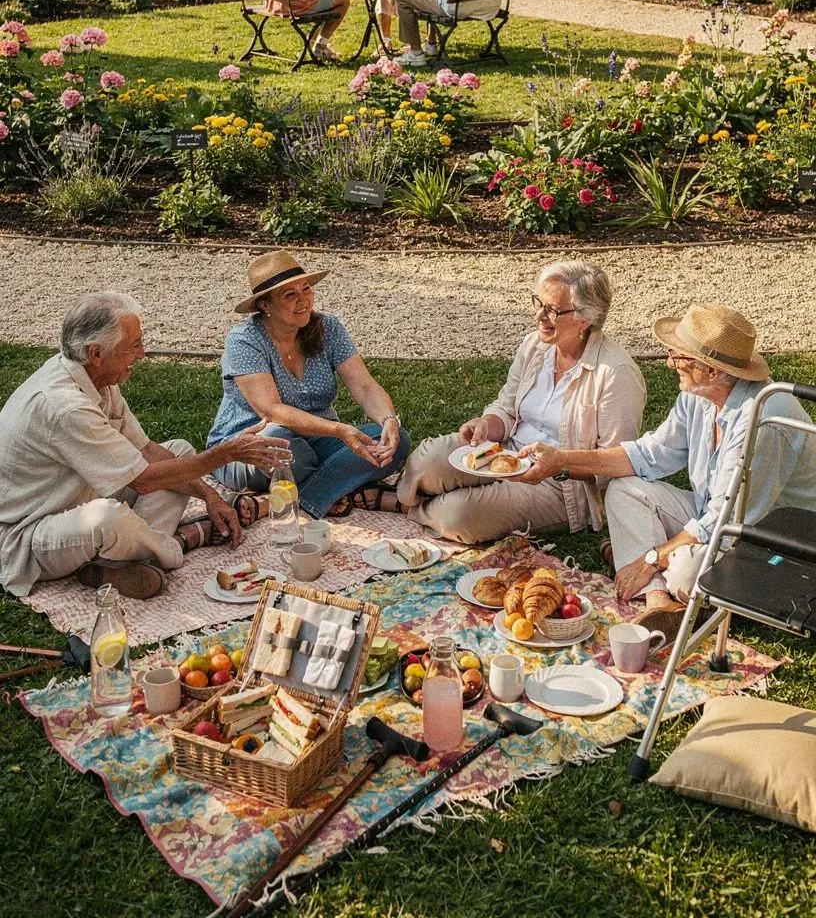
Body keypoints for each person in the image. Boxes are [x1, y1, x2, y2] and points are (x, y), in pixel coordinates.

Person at [514, 304, 816, 644]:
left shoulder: (763, 421)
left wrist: (652, 557)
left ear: (713, 370)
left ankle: (657, 572)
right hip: (715, 517)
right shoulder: (700, 396)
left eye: (679, 356)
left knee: (688, 574)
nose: (670, 363)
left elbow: (724, 522)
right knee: (624, 489)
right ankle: (660, 601)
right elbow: (648, 454)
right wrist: (561, 460)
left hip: (777, 545)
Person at [0, 293, 286, 600]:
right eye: (133, 345)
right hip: (29, 535)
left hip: (80, 495)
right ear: (96, 354)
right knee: (108, 518)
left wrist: (209, 495)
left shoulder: (97, 379)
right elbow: (144, 480)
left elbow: (147, 450)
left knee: (179, 451)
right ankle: (180, 544)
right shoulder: (65, 407)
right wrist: (225, 453)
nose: (142, 353)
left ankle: (119, 564)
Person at [397, 260, 646, 543]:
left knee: (457, 514)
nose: (539, 315)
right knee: (426, 461)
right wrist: (486, 425)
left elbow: (617, 462)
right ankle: (425, 499)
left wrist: (559, 463)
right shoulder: (535, 346)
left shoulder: (616, 374)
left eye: (552, 310)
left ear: (584, 319)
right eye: (539, 303)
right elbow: (506, 406)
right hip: (507, 452)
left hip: (561, 485)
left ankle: (401, 504)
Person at [207, 250, 411, 518]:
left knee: (393, 443)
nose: (303, 300)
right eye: (289, 295)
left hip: (318, 439)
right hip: (252, 445)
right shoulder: (244, 340)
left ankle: (293, 500)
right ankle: (341, 486)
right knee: (284, 444)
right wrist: (339, 430)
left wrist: (389, 420)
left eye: (306, 289)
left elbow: (364, 386)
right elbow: (271, 411)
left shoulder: (328, 328)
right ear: (264, 305)